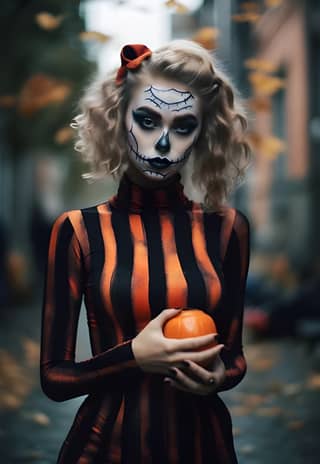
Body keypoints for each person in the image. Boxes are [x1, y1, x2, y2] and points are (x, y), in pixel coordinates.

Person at [40, 40, 251, 464]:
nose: (162, 143)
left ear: (204, 133)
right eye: (148, 120)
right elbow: (54, 378)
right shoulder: (78, 231)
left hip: (203, 448)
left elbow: (234, 356)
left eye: (184, 126)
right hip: (106, 447)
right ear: (119, 120)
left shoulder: (228, 229)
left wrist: (217, 376)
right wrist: (134, 357)